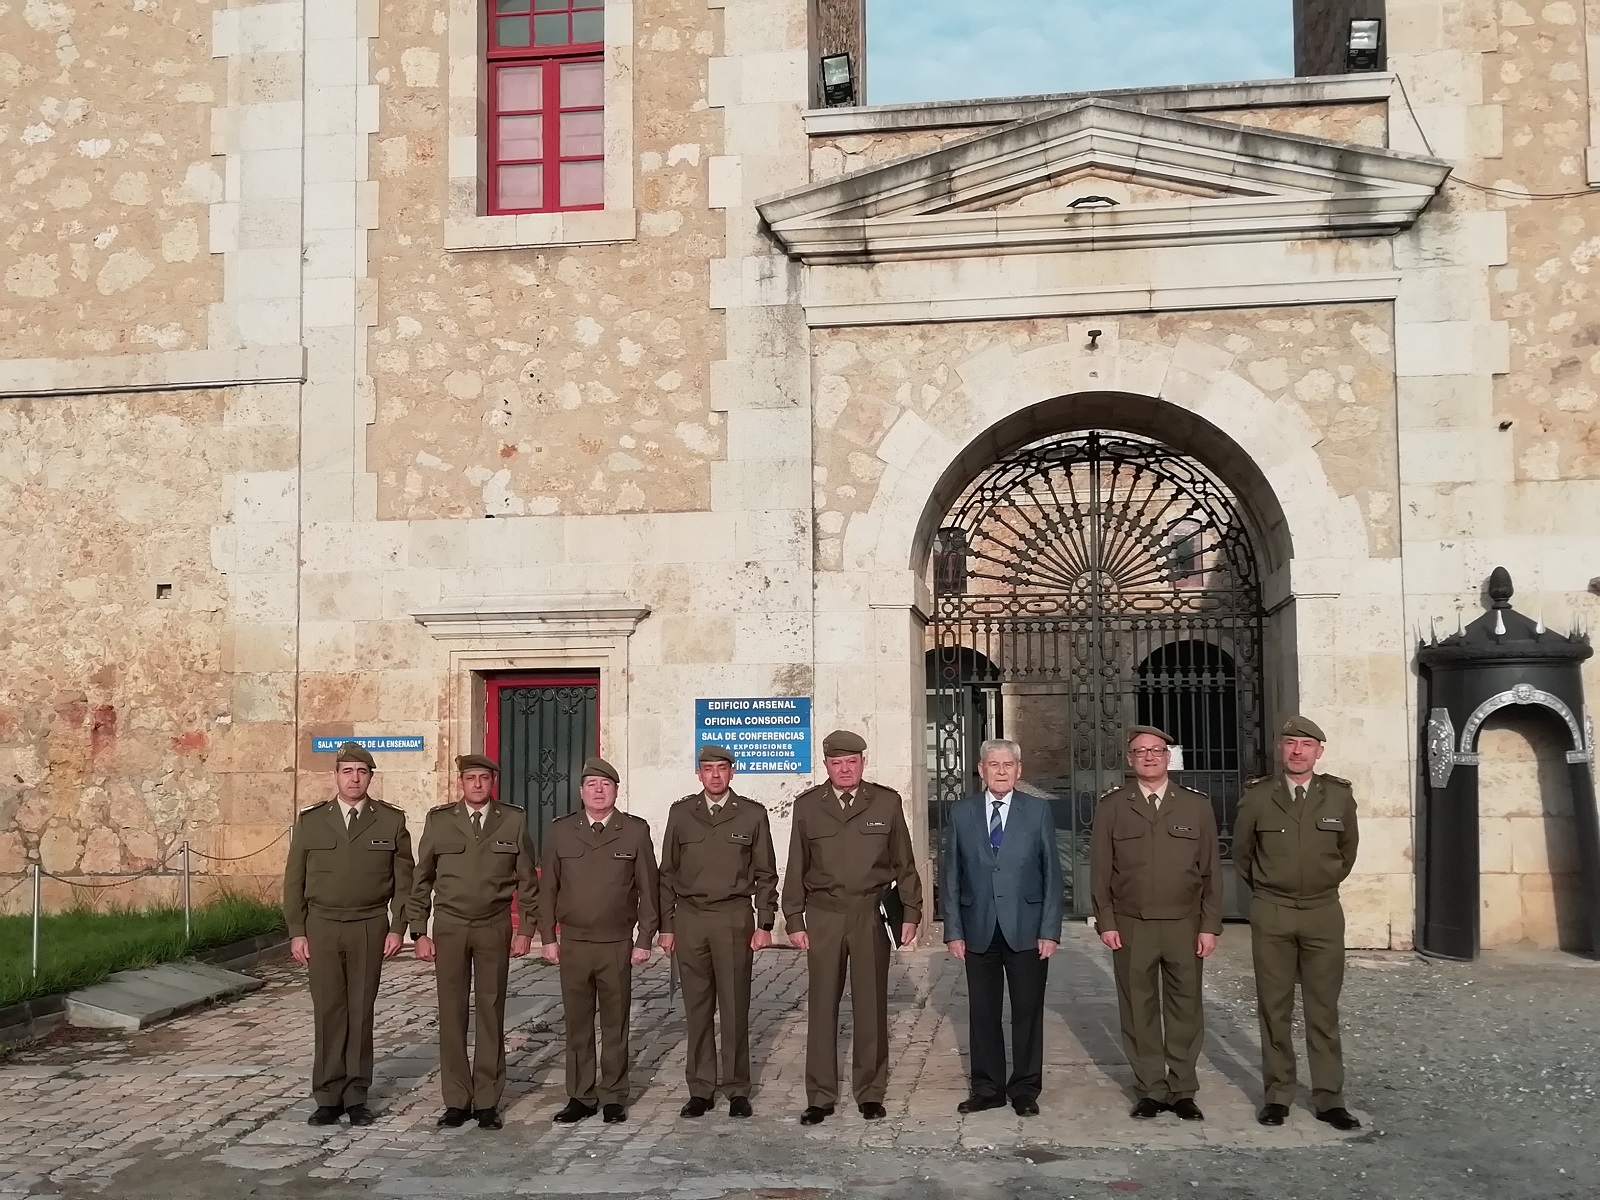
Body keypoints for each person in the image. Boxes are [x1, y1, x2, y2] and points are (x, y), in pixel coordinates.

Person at [781, 729, 923, 1125]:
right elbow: (797, 865)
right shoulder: (808, 806)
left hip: (869, 912)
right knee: (822, 1005)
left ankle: (870, 1091)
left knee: (871, 1004)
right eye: (836, 763)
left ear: (863, 762)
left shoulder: (886, 802)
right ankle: (821, 1095)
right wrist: (794, 918)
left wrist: (911, 912)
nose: (845, 769)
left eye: (852, 762)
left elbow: (905, 863)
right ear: (826, 765)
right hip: (824, 914)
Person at [1233, 715, 1362, 1131]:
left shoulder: (1339, 797)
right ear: (1280, 748)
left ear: (1319, 751)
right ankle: (1278, 1094)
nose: (1298, 751)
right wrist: (1274, 889)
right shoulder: (1258, 797)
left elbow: (1347, 852)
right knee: (1274, 1007)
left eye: (1307, 744)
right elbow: (1242, 854)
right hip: (1273, 910)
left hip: (1323, 911)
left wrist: (1318, 884)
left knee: (1323, 1009)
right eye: (1290, 743)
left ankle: (1329, 1097)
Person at [1089, 725, 1222, 1122]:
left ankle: (1182, 1088)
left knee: (1185, 1008)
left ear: (1169, 757)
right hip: (1132, 925)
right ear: (1129, 760)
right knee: (1138, 1008)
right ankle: (1149, 1087)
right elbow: (1100, 872)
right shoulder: (1113, 807)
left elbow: (1211, 871)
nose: (1149, 757)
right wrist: (1106, 922)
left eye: (1157, 750)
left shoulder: (1196, 807)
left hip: (1184, 923)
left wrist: (1209, 925)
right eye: (1140, 751)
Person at [282, 741, 413, 1127]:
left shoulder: (390, 821)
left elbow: (404, 880)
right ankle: (327, 1094)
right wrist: (297, 930)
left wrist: (397, 927)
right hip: (322, 925)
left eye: (362, 772)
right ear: (336, 776)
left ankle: (356, 1094)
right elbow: (295, 880)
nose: (354, 778)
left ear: (370, 777)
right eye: (347, 771)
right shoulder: (312, 821)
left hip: (369, 923)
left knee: (360, 1010)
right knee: (328, 1010)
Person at [409, 753, 538, 1131]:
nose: (477, 785)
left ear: (493, 782)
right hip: (449, 925)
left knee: (490, 1009)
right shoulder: (440, 821)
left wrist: (527, 928)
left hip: (492, 926)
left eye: (483, 778)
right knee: (451, 1013)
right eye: (470, 778)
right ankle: (456, 1099)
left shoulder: (512, 820)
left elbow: (527, 879)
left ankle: (486, 1100)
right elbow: (422, 879)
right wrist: (419, 931)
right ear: (461, 783)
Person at [940, 738, 1063, 1117]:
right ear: (981, 770)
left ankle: (1025, 1088)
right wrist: (954, 930)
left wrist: (1049, 930)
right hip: (978, 928)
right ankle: (988, 1088)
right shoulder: (962, 813)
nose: (1001, 771)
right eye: (993, 764)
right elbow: (951, 876)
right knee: (983, 1013)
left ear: (1019, 770)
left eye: (1008, 764)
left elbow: (1051, 875)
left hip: (1026, 928)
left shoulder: (1038, 812)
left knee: (1027, 1012)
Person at [658, 743, 779, 1118]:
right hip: (691, 918)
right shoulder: (681, 814)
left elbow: (765, 874)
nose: (714, 775)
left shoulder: (752, 815)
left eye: (721, 769)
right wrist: (666, 926)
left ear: (732, 772)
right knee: (696, 1008)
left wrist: (765, 923)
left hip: (733, 917)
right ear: (698, 774)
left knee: (734, 1005)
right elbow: (667, 874)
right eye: (707, 769)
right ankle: (700, 1088)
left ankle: (737, 1087)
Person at [539, 757, 659, 1125]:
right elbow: (548, 888)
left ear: (616, 791)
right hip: (574, 941)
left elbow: (648, 888)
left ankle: (614, 1095)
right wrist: (547, 936)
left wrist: (644, 939)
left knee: (615, 1021)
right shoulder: (561, 831)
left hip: (616, 942)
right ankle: (580, 1095)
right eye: (591, 785)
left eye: (605, 785)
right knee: (577, 1023)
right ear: (581, 792)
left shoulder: (634, 831)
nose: (598, 791)